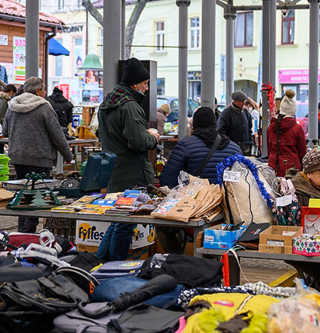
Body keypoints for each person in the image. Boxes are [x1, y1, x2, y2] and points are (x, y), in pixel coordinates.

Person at [97, 58, 160, 261]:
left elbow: (103, 135)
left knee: (117, 221)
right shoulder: (130, 106)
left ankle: (100, 262)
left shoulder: (107, 104)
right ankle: (114, 268)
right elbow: (137, 142)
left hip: (114, 171)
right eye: (145, 84)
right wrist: (153, 137)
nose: (147, 88)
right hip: (132, 173)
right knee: (125, 224)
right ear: (135, 84)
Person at [2, 77, 73, 233]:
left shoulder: (12, 106)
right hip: (40, 158)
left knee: (22, 193)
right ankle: (29, 230)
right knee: (37, 197)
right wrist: (68, 155)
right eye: (44, 89)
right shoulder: (44, 108)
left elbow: (4, 131)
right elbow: (57, 135)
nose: (46, 92)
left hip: (18, 157)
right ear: (37, 91)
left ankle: (21, 230)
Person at [160, 107, 241, 187]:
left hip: (195, 198)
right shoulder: (235, 149)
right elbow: (241, 182)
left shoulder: (185, 146)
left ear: (194, 124)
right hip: (225, 198)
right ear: (215, 124)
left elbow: (167, 180)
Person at [268, 89, 307, 176]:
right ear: (293, 111)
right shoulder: (297, 129)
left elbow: (269, 149)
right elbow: (302, 152)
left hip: (273, 166)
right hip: (291, 168)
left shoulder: (270, 127)